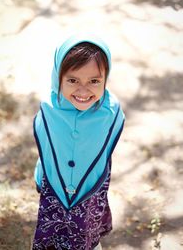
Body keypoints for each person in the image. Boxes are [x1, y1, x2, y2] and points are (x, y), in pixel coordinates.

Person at [32, 33, 125, 250]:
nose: (83, 91)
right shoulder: (48, 110)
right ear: (58, 78)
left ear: (105, 80)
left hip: (90, 191)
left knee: (87, 239)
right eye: (73, 80)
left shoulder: (111, 112)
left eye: (94, 81)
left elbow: (104, 152)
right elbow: (46, 148)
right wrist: (40, 177)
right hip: (54, 189)